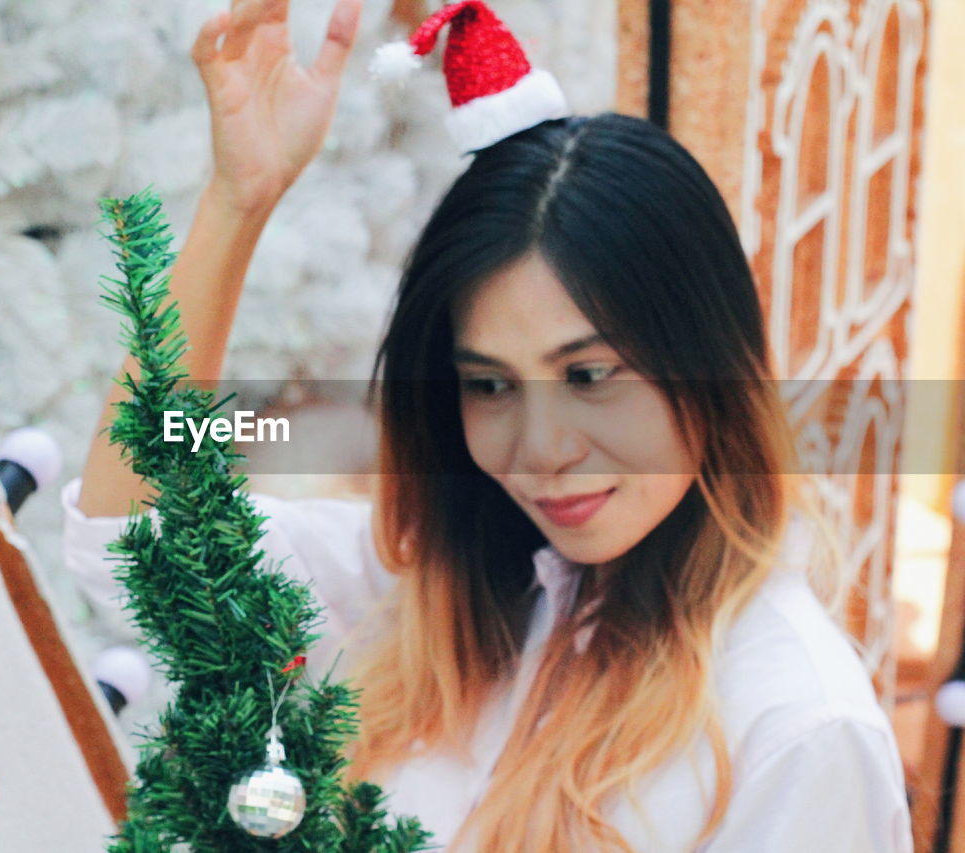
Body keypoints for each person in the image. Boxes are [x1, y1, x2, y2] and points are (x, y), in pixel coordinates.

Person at [61, 0, 914, 850]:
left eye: (589, 374)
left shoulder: (794, 727)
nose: (542, 448)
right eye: (491, 386)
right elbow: (132, 537)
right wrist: (239, 202)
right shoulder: (430, 597)